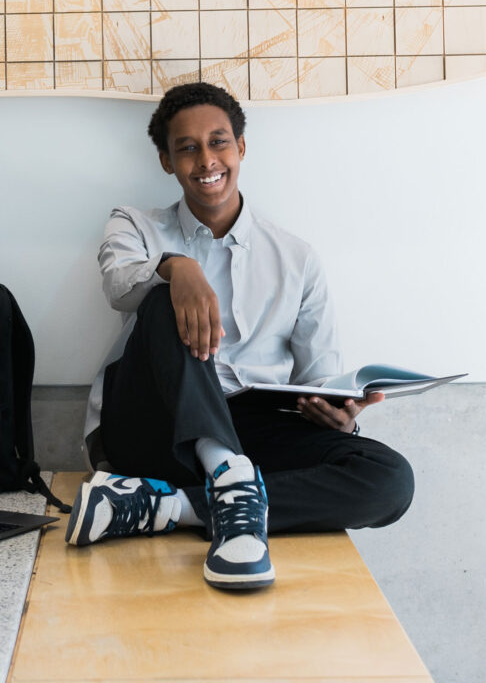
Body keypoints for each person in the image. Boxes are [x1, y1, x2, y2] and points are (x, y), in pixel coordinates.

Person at [68, 82, 414, 590]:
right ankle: (227, 479)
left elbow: (319, 378)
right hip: (153, 424)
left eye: (218, 142)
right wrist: (174, 266)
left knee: (390, 480)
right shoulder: (135, 224)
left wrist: (338, 413)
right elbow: (120, 285)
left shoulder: (297, 257)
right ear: (166, 161)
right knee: (165, 298)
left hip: (255, 424)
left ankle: (169, 506)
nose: (206, 159)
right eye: (187, 147)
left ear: (241, 148)